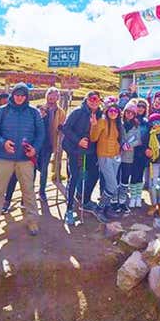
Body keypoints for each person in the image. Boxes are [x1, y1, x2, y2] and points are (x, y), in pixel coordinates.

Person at [0, 83, 45, 239]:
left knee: (28, 191)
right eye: (17, 95)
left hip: (25, 159)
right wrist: (3, 142)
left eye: (23, 95)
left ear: (26, 97)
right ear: (12, 95)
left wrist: (35, 149)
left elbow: (41, 133)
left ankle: (32, 221)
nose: (19, 98)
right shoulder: (2, 112)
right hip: (5, 158)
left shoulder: (33, 113)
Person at [61, 91, 102, 225]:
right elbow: (65, 128)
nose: (94, 101)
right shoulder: (77, 112)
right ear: (87, 99)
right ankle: (69, 209)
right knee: (74, 177)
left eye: (97, 99)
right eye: (91, 99)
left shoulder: (100, 114)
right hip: (74, 149)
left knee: (94, 174)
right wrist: (78, 140)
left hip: (91, 151)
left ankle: (85, 200)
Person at [90, 100, 124, 222]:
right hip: (104, 156)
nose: (113, 113)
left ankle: (106, 207)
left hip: (115, 157)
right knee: (112, 185)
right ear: (107, 111)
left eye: (116, 111)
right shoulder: (102, 122)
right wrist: (94, 125)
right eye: (111, 110)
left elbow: (119, 139)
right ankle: (99, 209)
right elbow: (93, 138)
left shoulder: (118, 124)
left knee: (112, 184)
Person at [38, 87, 67, 198]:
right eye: (50, 94)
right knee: (32, 168)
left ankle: (42, 191)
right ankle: (27, 194)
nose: (52, 97)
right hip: (36, 143)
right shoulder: (40, 108)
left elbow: (63, 126)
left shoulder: (60, 112)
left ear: (58, 97)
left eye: (55, 95)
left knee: (44, 168)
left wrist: (61, 128)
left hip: (49, 143)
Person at [117, 103, 142, 214]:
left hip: (129, 156)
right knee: (116, 179)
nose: (129, 114)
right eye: (128, 112)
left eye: (132, 113)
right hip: (117, 154)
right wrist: (122, 144)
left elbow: (139, 140)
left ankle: (122, 202)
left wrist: (130, 145)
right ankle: (114, 201)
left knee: (125, 180)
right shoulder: (119, 123)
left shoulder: (136, 125)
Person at [128, 98, 150, 209]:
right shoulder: (131, 119)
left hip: (143, 152)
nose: (141, 108)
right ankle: (132, 197)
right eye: (139, 106)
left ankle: (138, 196)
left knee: (140, 175)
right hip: (131, 152)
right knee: (133, 174)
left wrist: (148, 149)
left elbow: (149, 137)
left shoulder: (147, 122)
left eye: (143, 107)